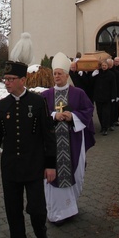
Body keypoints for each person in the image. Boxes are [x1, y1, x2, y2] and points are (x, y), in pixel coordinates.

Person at [0, 60, 57, 238]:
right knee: (13, 214)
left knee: (36, 210)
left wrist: (50, 164)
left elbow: (48, 136)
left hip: (34, 166)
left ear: (23, 80)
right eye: (5, 80)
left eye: (11, 79)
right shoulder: (1, 105)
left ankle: (41, 234)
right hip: (10, 168)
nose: (7, 83)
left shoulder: (37, 102)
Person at [41, 52, 95, 225]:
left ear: (66, 75)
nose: (57, 76)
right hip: (51, 145)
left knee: (74, 173)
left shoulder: (78, 93)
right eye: (54, 73)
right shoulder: (45, 95)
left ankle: (70, 208)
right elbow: (40, 116)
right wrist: (53, 115)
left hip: (73, 142)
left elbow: (88, 111)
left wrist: (72, 116)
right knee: (52, 175)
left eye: (60, 73)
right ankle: (55, 213)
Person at [92, 59, 117, 135]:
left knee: (106, 113)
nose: (104, 67)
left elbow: (113, 86)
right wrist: (93, 75)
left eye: (105, 65)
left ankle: (105, 128)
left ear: (108, 66)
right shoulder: (98, 74)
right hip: (98, 97)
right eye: (102, 65)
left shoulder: (111, 75)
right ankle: (102, 126)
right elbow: (92, 83)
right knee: (99, 113)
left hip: (107, 97)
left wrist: (114, 96)